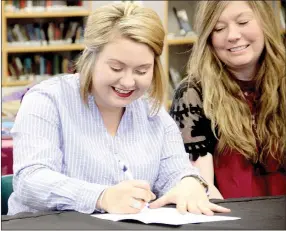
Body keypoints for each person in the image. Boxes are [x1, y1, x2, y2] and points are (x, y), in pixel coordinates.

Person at [8, 2, 230, 216]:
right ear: (90, 57)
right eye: (116, 67)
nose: (127, 82)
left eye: (142, 71)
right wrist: (101, 197)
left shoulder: (153, 113)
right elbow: (31, 180)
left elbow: (176, 172)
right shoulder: (47, 100)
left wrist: (188, 183)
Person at [170, 0, 286, 199]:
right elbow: (202, 188)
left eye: (243, 22)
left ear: (265, 22)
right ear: (209, 37)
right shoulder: (192, 94)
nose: (232, 36)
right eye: (219, 28)